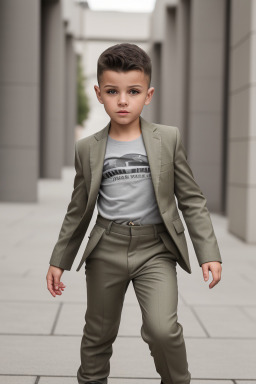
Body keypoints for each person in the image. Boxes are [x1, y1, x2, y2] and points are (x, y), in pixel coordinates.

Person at [46, 43, 222, 384]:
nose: (123, 100)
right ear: (99, 93)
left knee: (162, 329)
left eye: (133, 91)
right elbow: (77, 209)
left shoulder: (167, 139)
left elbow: (191, 199)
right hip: (106, 247)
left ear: (148, 94)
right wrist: (59, 258)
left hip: (155, 248)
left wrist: (209, 253)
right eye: (113, 91)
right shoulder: (88, 148)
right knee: (98, 333)